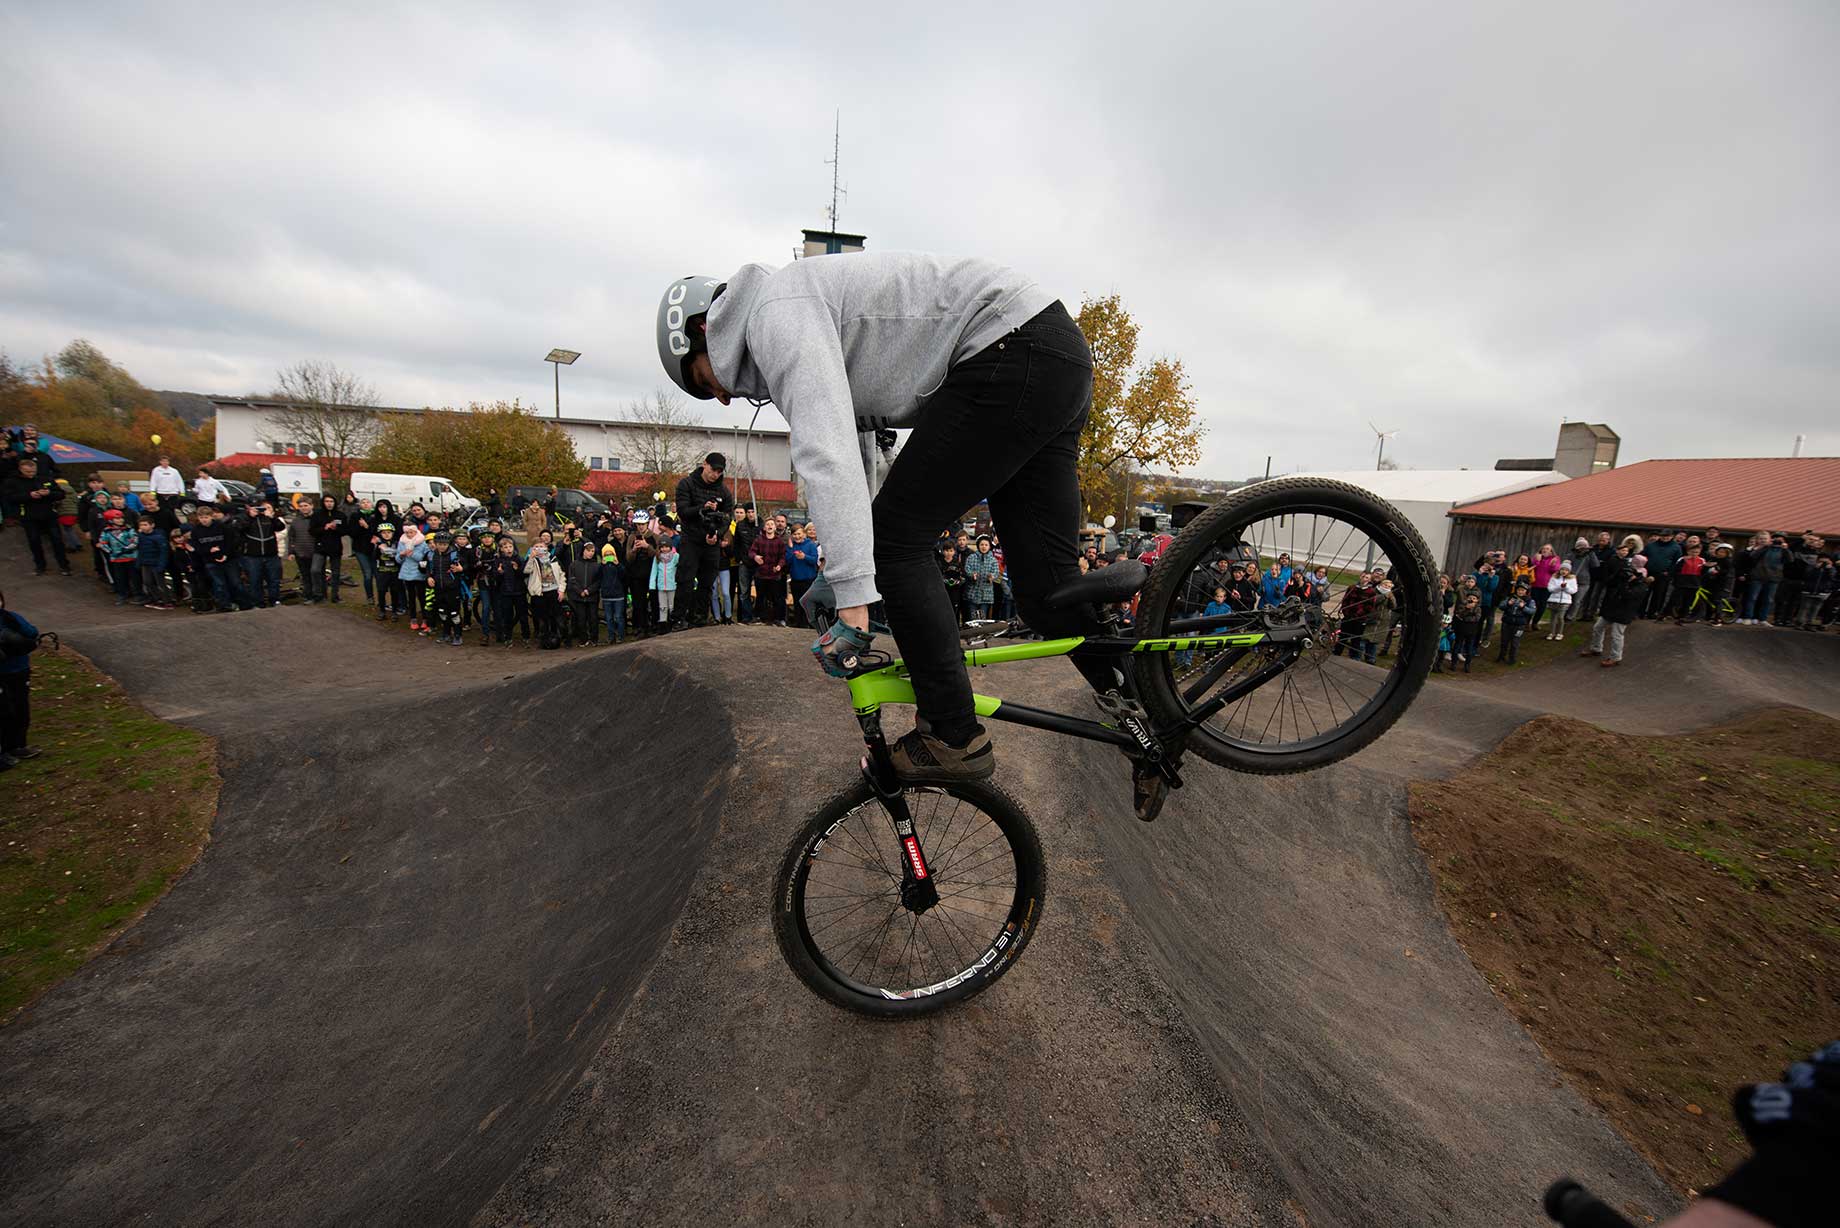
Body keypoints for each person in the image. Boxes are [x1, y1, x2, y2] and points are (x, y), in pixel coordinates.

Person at [659, 253, 1111, 783]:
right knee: (1047, 592)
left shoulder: (772, 315)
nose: (722, 397)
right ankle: (1145, 703)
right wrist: (842, 572)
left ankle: (953, 735)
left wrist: (855, 599)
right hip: (1050, 353)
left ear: (702, 330)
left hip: (1010, 347)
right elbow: (864, 460)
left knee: (895, 543)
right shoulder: (791, 314)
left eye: (701, 379)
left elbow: (827, 455)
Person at [672, 451, 733, 629]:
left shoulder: (724, 491)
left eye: (719, 472)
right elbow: (683, 511)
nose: (715, 475)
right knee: (686, 579)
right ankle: (678, 618)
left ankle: (700, 617)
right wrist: (702, 507)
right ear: (704, 464)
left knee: (708, 582)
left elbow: (727, 518)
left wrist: (717, 535)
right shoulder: (687, 484)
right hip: (691, 539)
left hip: (711, 541)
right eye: (713, 470)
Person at [2, 457, 72, 576]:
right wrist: (29, 496)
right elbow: (9, 498)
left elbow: (61, 494)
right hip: (29, 516)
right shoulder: (12, 482)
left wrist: (49, 493)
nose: (31, 474)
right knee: (34, 541)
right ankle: (40, 566)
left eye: (33, 471)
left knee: (57, 540)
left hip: (49, 514)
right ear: (20, 470)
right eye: (27, 472)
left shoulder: (45, 479)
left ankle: (64, 565)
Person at [1581, 535, 1641, 667]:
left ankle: (1615, 657)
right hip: (1610, 606)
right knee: (1598, 627)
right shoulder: (1619, 577)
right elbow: (1608, 582)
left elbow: (1632, 598)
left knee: (1616, 634)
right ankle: (1596, 648)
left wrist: (1628, 584)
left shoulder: (1639, 584)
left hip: (1623, 611)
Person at [0, 589, 42, 770]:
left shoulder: (10, 617)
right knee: (4, 712)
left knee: (20, 708)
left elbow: (32, 632)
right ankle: (5, 750)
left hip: (18, 670)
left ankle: (18, 745)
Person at [1738, 533, 1790, 626]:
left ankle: (1763, 619)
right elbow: (1753, 556)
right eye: (1761, 539)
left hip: (1773, 578)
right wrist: (1765, 547)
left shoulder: (1782, 550)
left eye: (1765, 539)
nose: (1763, 540)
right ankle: (1748, 617)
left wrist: (1786, 549)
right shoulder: (1761, 549)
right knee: (1752, 598)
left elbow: (1790, 560)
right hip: (1758, 577)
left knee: (1768, 600)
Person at [487, 537, 529, 646]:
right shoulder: (498, 561)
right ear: (501, 549)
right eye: (505, 547)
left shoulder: (519, 559)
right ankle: (508, 637)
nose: (508, 549)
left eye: (510, 546)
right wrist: (500, 573)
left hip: (519, 592)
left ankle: (526, 636)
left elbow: (525, 574)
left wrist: (517, 569)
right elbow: (495, 578)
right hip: (505, 593)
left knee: (523, 615)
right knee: (507, 616)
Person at [427, 533, 467, 645]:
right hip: (438, 588)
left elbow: (466, 566)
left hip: (452, 588)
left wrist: (461, 569)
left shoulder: (455, 555)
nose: (442, 546)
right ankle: (446, 633)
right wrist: (429, 577)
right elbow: (429, 569)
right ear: (435, 544)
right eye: (440, 544)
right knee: (442, 612)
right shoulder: (431, 555)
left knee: (454, 613)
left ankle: (458, 635)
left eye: (445, 544)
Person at [525, 540, 565, 648]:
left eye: (541, 546)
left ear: (546, 548)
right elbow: (526, 571)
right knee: (542, 618)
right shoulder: (533, 560)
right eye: (536, 547)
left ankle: (555, 639)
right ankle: (544, 640)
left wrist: (561, 590)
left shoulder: (554, 559)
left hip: (553, 591)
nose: (539, 548)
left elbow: (562, 575)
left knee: (555, 617)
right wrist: (531, 558)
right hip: (539, 593)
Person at [309, 494, 347, 604]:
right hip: (321, 547)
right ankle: (319, 594)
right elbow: (312, 531)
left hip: (335, 547)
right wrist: (324, 528)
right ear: (323, 502)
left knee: (335, 573)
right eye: (327, 501)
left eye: (331, 501)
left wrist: (336, 529)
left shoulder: (340, 515)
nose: (329, 503)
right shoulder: (317, 515)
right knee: (316, 570)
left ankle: (335, 596)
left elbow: (345, 530)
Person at [397, 524, 432, 632]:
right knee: (411, 597)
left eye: (411, 532)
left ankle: (425, 619)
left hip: (419, 573)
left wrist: (412, 554)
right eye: (407, 532)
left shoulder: (422, 542)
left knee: (422, 597)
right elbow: (398, 559)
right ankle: (413, 618)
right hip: (407, 573)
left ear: (416, 532)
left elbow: (424, 559)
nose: (409, 534)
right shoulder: (402, 541)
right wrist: (402, 555)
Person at [100, 510, 141, 603]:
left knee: (135, 577)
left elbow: (135, 541)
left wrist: (126, 549)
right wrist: (110, 551)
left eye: (121, 518)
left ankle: (138, 594)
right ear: (110, 520)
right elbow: (102, 543)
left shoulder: (129, 529)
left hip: (131, 557)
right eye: (117, 519)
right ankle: (123, 593)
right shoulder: (107, 531)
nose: (120, 520)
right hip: (117, 559)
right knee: (120, 577)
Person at [135, 515, 174, 610]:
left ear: (152, 525)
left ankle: (167, 601)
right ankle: (157, 599)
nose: (143, 527)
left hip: (156, 563)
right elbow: (139, 550)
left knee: (160, 583)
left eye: (145, 524)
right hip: (145, 563)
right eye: (141, 525)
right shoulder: (140, 537)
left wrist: (161, 565)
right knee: (147, 582)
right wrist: (139, 562)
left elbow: (164, 552)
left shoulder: (159, 537)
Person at [567, 541, 602, 646]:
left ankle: (594, 639)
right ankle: (583, 639)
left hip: (592, 597)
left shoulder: (597, 565)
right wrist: (580, 591)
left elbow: (598, 581)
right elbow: (572, 580)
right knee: (581, 619)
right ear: (583, 551)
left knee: (593, 619)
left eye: (592, 551)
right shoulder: (574, 564)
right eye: (588, 550)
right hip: (579, 597)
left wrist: (588, 591)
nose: (590, 553)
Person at [1495, 582, 1537, 664]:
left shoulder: (1529, 600)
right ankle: (1501, 656)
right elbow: (1501, 606)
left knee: (1515, 642)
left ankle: (1512, 659)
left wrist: (1523, 607)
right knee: (1504, 641)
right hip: (1507, 622)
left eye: (1522, 590)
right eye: (1519, 590)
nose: (1520, 592)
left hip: (1519, 625)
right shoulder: (1510, 597)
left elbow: (1532, 611)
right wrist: (1508, 604)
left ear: (1526, 591)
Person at [624, 534, 655, 637]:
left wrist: (647, 546)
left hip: (651, 575)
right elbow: (628, 558)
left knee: (653, 603)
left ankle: (653, 626)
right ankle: (641, 627)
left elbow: (657, 555)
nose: (640, 526)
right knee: (638, 604)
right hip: (636, 577)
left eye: (642, 524)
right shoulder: (632, 537)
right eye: (638, 524)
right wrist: (634, 549)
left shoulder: (654, 536)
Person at [963, 536, 1000, 621]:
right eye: (982, 544)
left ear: (989, 546)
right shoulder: (971, 557)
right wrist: (972, 575)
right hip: (972, 593)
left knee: (982, 619)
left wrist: (992, 577)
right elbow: (967, 569)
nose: (984, 547)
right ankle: (972, 633)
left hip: (986, 595)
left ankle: (981, 634)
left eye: (986, 545)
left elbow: (996, 572)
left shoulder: (993, 560)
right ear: (978, 546)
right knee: (972, 619)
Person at [598, 541, 627, 643]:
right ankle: (611, 636)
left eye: (610, 554)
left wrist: (618, 564)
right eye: (606, 555)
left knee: (619, 617)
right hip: (606, 596)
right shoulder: (602, 567)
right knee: (609, 618)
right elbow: (597, 576)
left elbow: (624, 575)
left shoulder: (618, 565)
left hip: (618, 595)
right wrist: (602, 565)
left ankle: (621, 636)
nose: (608, 556)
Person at [649, 537, 679, 631]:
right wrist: (652, 585)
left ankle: (672, 622)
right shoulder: (657, 557)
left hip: (672, 585)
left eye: (666, 547)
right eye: (662, 547)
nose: (664, 549)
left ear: (670, 547)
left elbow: (679, 569)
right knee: (662, 606)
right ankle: (663, 624)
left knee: (672, 606)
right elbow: (654, 572)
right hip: (661, 586)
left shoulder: (675, 556)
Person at [1451, 592, 1484, 672]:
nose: (1471, 600)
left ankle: (1467, 665)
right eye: (1470, 598)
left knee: (1469, 649)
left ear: (1477, 600)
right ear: (1467, 598)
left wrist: (1466, 618)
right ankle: (1453, 663)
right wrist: (1467, 609)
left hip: (1472, 631)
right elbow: (1459, 615)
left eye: (1474, 598)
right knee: (1457, 646)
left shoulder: (1478, 608)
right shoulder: (1462, 606)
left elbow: (1477, 618)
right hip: (1461, 630)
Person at [1542, 565, 1577, 639]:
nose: (1564, 571)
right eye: (1562, 569)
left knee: (1560, 617)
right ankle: (1551, 633)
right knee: (1553, 617)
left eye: (1566, 570)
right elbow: (1550, 589)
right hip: (1554, 600)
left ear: (1569, 571)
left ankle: (1560, 633)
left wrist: (1566, 587)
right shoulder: (1554, 577)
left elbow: (1573, 590)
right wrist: (1560, 587)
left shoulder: (1572, 579)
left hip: (1565, 601)